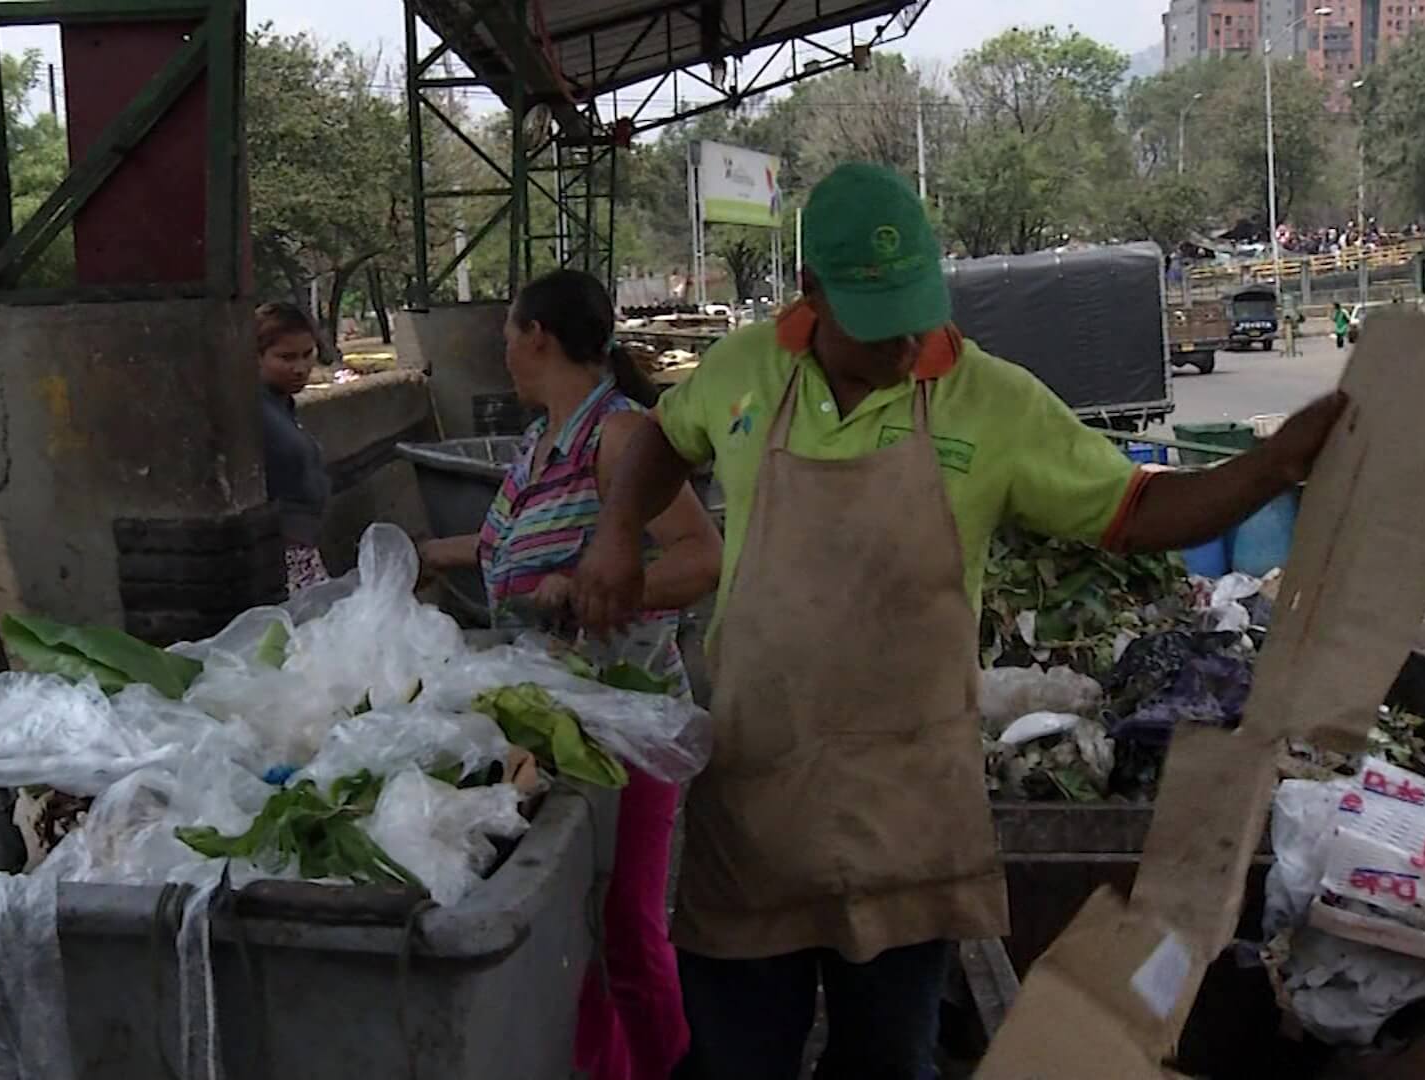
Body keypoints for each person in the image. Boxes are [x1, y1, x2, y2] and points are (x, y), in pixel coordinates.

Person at [569, 162, 1346, 1079]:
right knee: (736, 1060)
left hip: (909, 817)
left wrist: (1273, 466)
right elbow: (664, 436)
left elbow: (1140, 510)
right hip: (759, 802)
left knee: (890, 1063)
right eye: (877, 318)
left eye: (916, 309)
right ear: (811, 295)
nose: (906, 341)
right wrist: (618, 534)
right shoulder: (745, 368)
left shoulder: (992, 399)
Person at [419, 268, 722, 1080]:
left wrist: (597, 589)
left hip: (629, 723)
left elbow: (700, 558)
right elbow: (499, 553)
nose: (505, 355)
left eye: (507, 337)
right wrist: (412, 557)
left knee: (625, 928)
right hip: (558, 729)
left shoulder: (618, 437)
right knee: (576, 931)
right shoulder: (538, 442)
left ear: (537, 338)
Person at [255, 302, 329, 591]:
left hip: (304, 547)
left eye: (307, 355)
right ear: (256, 357)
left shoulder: (282, 405)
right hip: (282, 555)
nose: (300, 368)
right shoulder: (254, 411)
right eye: (285, 357)